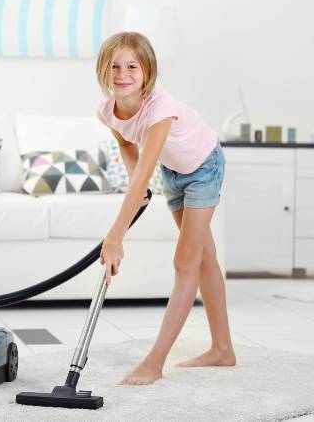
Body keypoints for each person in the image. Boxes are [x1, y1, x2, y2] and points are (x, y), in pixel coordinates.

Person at [95, 32, 236, 386]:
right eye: (114, 66)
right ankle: (223, 350)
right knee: (204, 258)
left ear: (147, 73)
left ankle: (155, 362)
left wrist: (115, 237)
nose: (122, 74)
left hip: (204, 166)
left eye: (132, 67)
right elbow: (127, 144)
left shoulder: (159, 108)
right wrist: (135, 187)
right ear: (103, 70)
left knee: (185, 261)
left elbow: (145, 171)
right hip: (175, 173)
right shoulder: (106, 110)